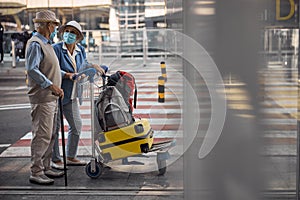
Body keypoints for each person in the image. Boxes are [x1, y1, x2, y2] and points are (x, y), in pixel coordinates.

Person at [51, 20, 105, 169]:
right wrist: (68, 75)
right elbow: (52, 69)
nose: (69, 34)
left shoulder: (80, 50)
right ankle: (55, 159)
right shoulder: (56, 49)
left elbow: (83, 65)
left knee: (76, 126)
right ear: (63, 33)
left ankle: (70, 156)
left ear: (78, 36)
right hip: (58, 93)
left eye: (73, 32)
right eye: (67, 31)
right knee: (55, 128)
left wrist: (93, 66)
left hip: (73, 94)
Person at [25, 10, 64, 185]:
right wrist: (51, 85)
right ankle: (36, 171)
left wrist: (64, 77)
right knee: (42, 135)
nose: (55, 29)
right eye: (54, 26)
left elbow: (49, 67)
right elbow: (33, 70)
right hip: (43, 97)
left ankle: (46, 166)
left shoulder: (46, 43)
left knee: (50, 134)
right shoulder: (35, 44)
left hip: (52, 96)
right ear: (48, 26)